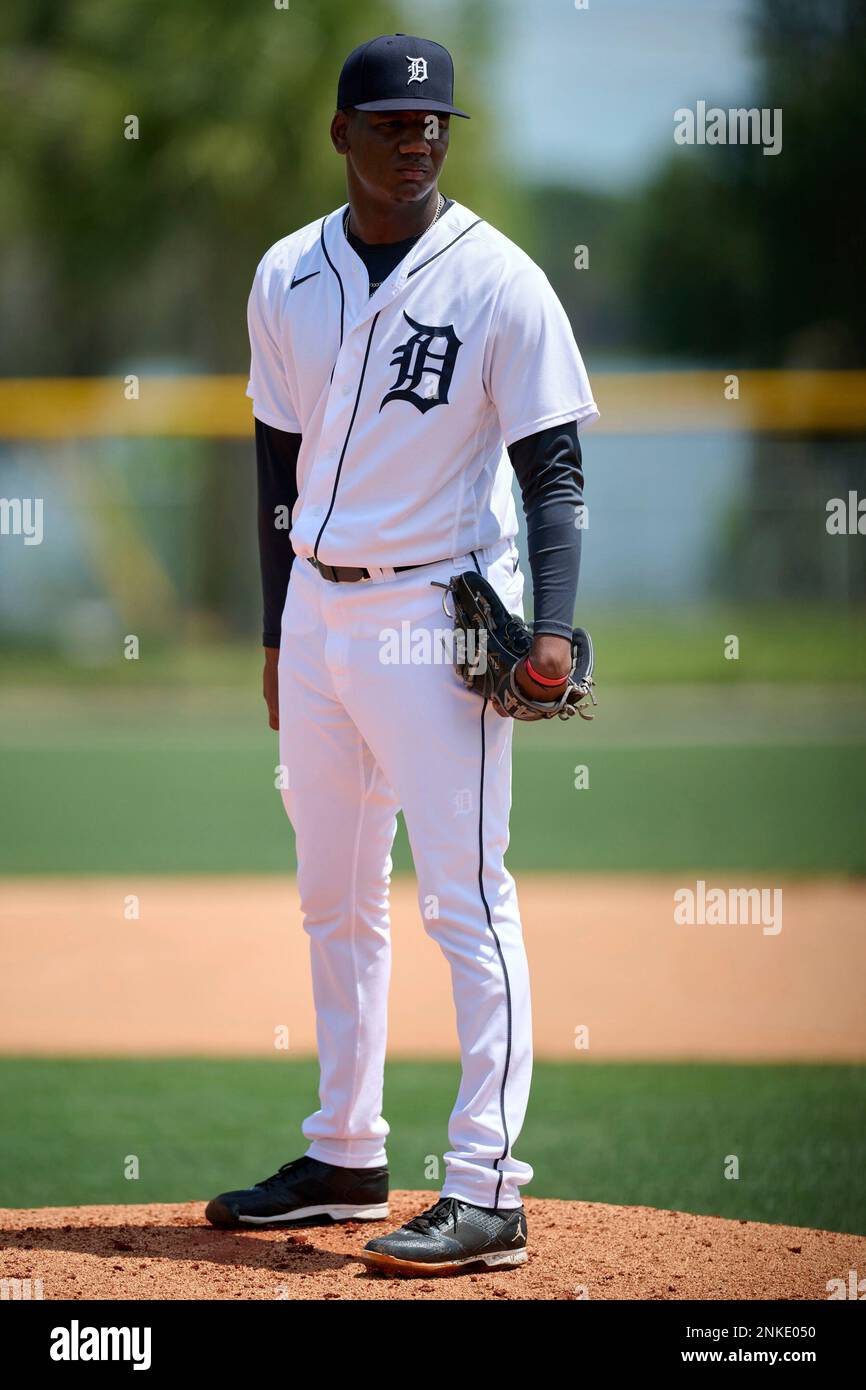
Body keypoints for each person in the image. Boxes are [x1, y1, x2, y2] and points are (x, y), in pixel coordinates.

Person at [206, 32, 598, 1277]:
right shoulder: (286, 274)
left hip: (436, 615)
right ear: (341, 134)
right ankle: (344, 1151)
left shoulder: (500, 281)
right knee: (334, 898)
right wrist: (277, 628)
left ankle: (487, 1188)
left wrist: (551, 626)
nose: (417, 136)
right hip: (319, 621)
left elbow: (555, 469)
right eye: (389, 121)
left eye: (433, 122)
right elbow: (276, 460)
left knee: (465, 899)